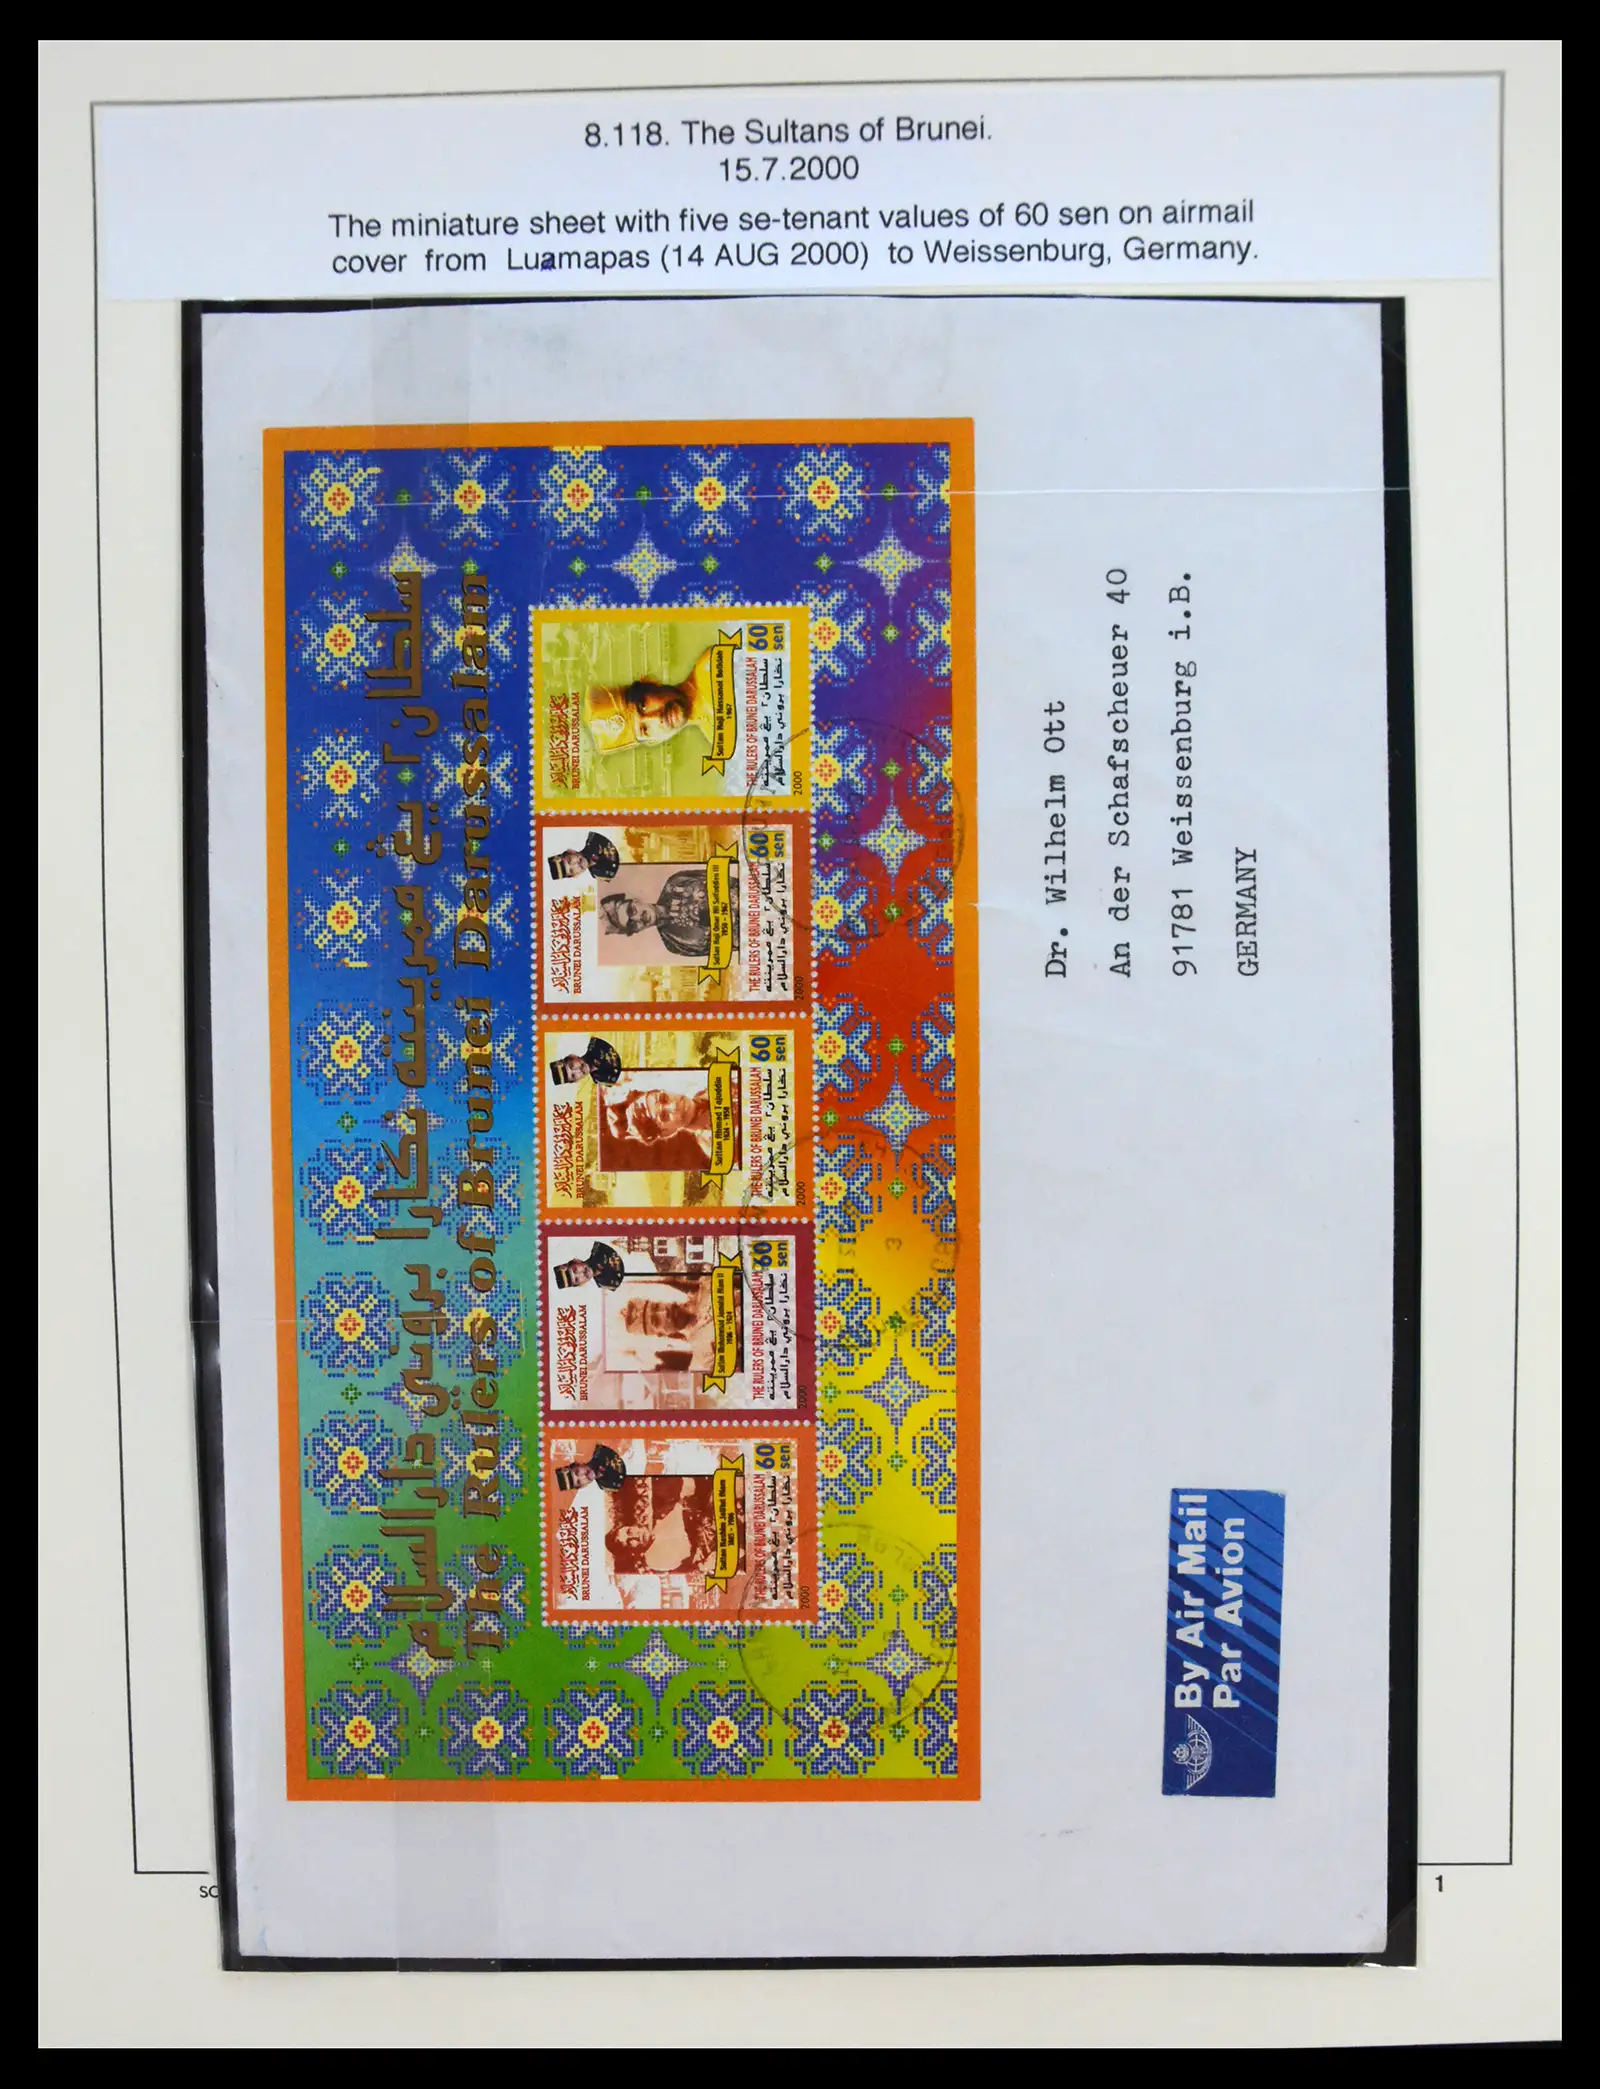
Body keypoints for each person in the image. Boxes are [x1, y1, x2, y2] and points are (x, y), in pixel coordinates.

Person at [583, 650, 722, 757]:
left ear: (650, 682)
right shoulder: (719, 742)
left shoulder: (713, 665)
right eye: (645, 729)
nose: (655, 717)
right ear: (655, 741)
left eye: (643, 705)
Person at [598, 866, 737, 962]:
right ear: (636, 931)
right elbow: (726, 949)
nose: (638, 917)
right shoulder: (674, 944)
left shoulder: (677, 882)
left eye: (631, 910)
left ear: (635, 900)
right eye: (632, 924)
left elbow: (730, 881)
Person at [601, 1082, 715, 1172]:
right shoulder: (713, 1145)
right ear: (668, 1132)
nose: (674, 1105)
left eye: (664, 1098)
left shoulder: (708, 1084)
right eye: (664, 1116)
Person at [548, 1036, 623, 1088]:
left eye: (571, 1065)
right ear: (576, 1081)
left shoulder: (597, 1044)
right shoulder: (604, 1079)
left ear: (572, 1056)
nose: (577, 1071)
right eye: (573, 1076)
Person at [552, 1240, 626, 1291]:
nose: (582, 1274)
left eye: (575, 1270)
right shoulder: (605, 1284)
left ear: (576, 1261)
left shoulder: (601, 1248)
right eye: (577, 1280)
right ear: (581, 1284)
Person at [547, 832, 621, 882]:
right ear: (576, 875)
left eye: (569, 860)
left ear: (571, 851)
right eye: (571, 870)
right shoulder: (601, 875)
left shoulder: (594, 838)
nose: (576, 865)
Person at [554, 1442, 628, 1492]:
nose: (583, 1476)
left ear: (577, 1464)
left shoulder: (596, 1449)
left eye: (577, 1472)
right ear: (583, 1486)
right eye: (579, 1482)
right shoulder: (606, 1484)